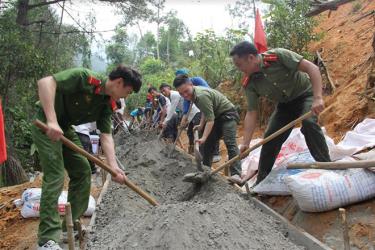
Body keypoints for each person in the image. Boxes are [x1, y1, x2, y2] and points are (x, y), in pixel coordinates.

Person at [31, 65, 142, 250]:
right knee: (56, 175)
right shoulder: (84, 78)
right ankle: (46, 240)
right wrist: (51, 120)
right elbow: (45, 82)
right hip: (46, 123)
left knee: (83, 171)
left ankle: (68, 226)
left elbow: (106, 136)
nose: (126, 97)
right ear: (119, 82)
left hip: (65, 128)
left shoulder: (107, 104)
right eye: (127, 92)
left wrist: (113, 168)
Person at [230, 41, 331, 185]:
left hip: (305, 95)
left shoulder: (278, 56)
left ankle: (327, 166)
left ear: (251, 58)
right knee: (270, 138)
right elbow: (252, 112)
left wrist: (318, 97)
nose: (239, 69)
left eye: (239, 64)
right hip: (285, 106)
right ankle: (261, 182)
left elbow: (312, 68)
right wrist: (245, 143)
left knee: (309, 124)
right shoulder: (249, 83)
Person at [173, 74, 242, 177]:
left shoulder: (201, 96)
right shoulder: (193, 95)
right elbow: (205, 111)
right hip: (217, 116)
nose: (185, 95)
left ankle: (236, 174)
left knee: (229, 142)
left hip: (228, 114)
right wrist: (201, 125)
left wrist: (204, 137)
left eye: (186, 91)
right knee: (208, 144)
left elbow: (210, 120)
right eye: (181, 93)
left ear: (191, 85)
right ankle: (205, 170)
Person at [175, 69, 221, 161]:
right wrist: (184, 119)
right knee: (198, 131)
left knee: (212, 129)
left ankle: (215, 153)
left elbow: (208, 91)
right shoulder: (184, 91)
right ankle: (203, 154)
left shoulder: (197, 80)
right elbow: (186, 106)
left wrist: (195, 91)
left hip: (212, 105)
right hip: (202, 109)